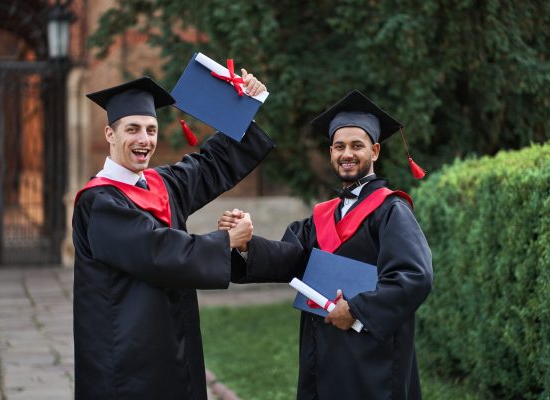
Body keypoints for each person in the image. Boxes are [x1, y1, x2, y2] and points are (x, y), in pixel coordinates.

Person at [218, 90, 433, 399]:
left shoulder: (391, 211)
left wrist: (357, 310)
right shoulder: (323, 214)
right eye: (339, 146)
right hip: (323, 346)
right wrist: (246, 243)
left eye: (357, 146)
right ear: (331, 152)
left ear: (374, 151)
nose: (347, 154)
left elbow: (415, 277)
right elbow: (293, 258)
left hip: (371, 353)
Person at [72, 71, 273, 400]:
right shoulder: (99, 202)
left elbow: (211, 164)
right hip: (126, 358)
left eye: (151, 130)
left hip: (173, 343)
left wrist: (243, 107)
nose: (145, 140)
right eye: (132, 129)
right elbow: (157, 251)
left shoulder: (161, 184)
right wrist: (227, 241)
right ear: (110, 133)